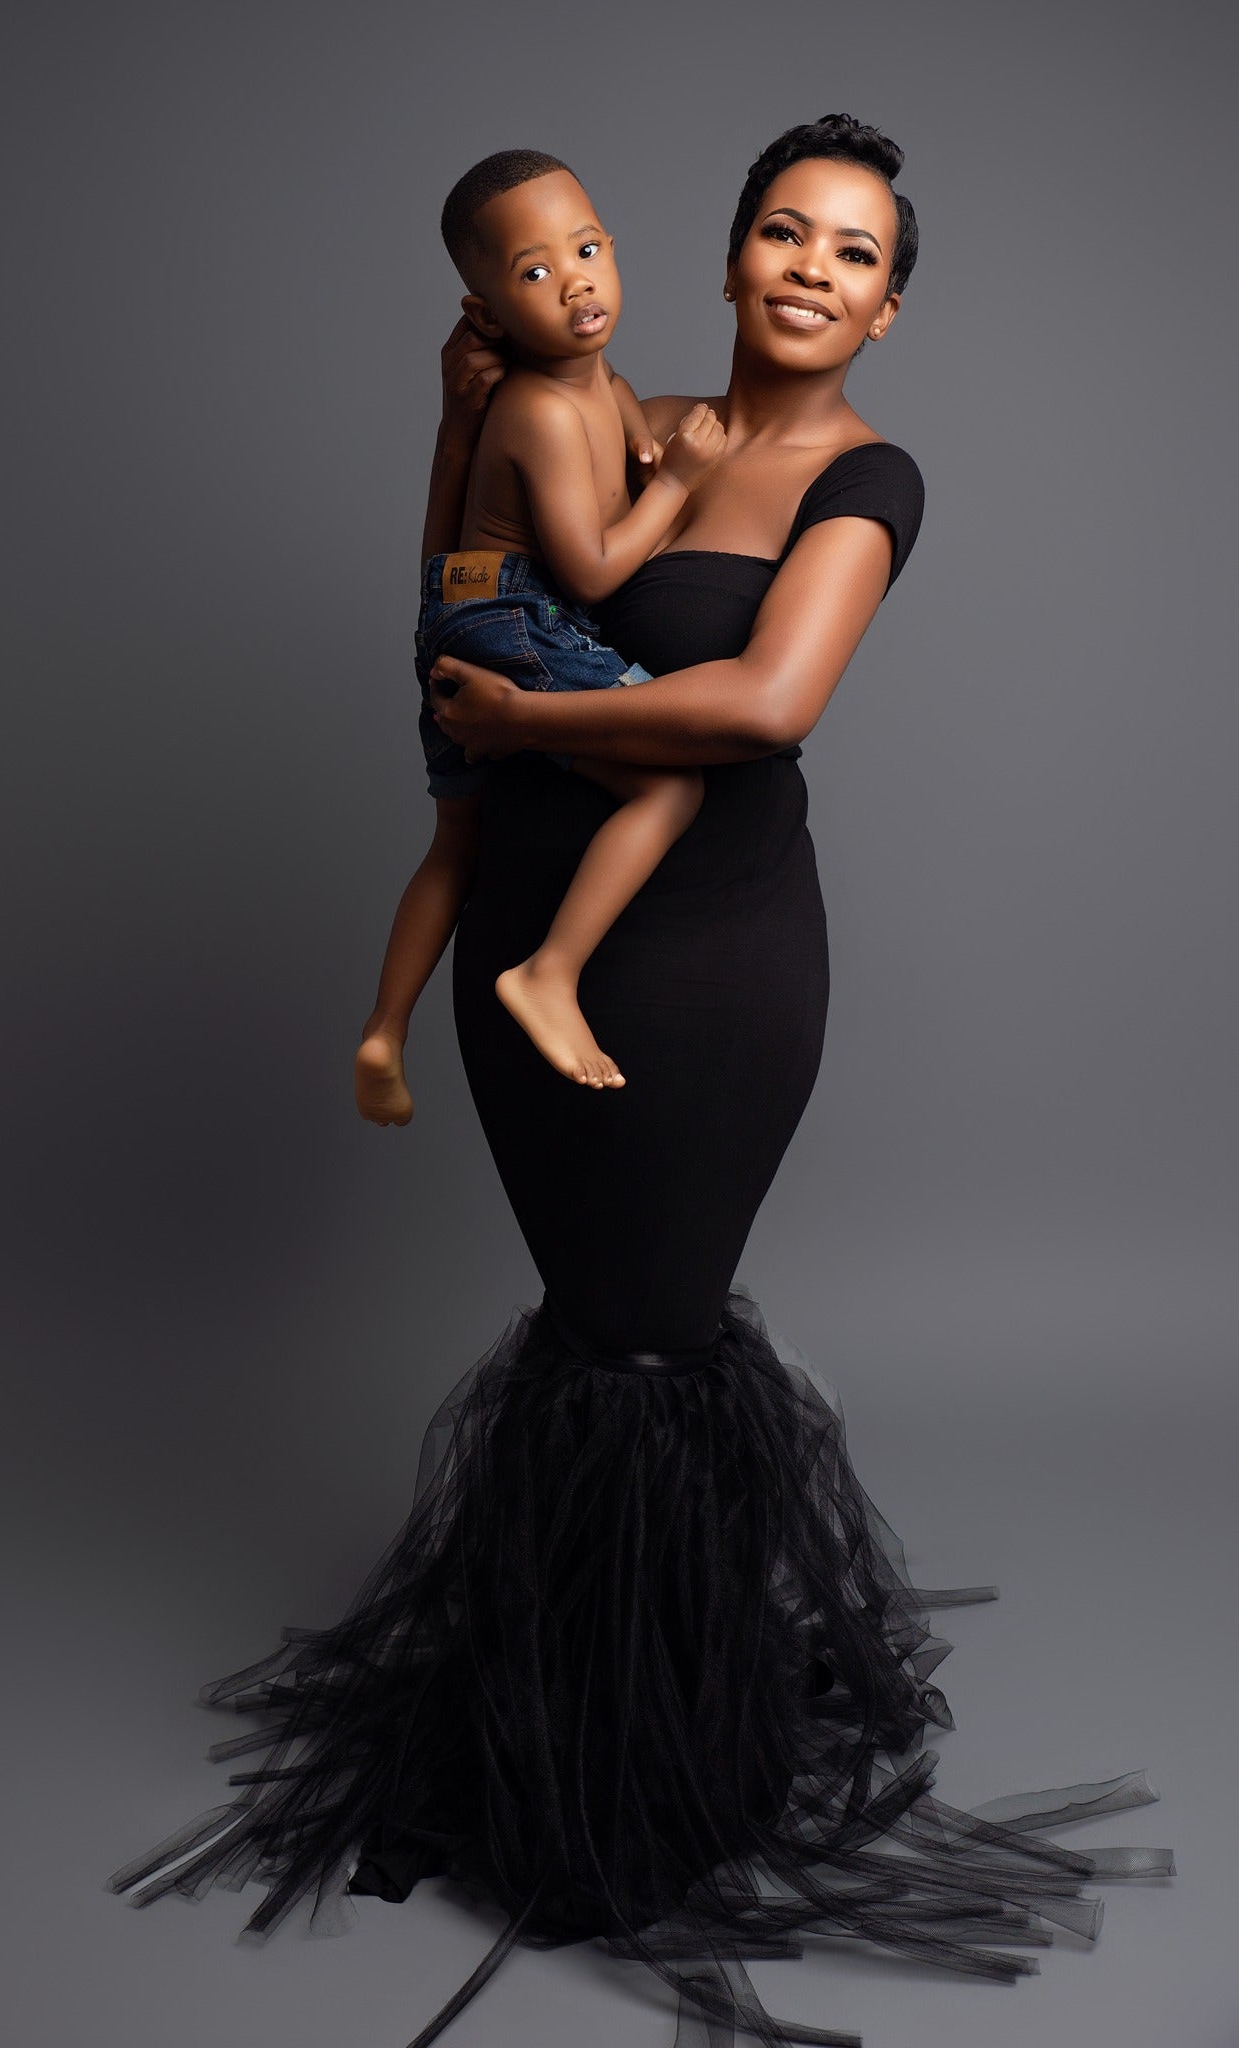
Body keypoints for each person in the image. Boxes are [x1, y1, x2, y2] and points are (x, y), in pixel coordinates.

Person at [107, 116, 1172, 2048]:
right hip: (527, 939)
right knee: (587, 1328)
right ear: (734, 249)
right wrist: (457, 417)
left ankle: (646, 1781)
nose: (811, 268)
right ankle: (562, 1737)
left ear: (889, 304)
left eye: (853, 254)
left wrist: (526, 710)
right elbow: (470, 565)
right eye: (784, 229)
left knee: (651, 1334)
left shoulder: (865, 475)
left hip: (701, 975)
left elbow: (766, 705)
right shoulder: (642, 415)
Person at [356, 148, 727, 1117]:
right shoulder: (541, 409)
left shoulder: (601, 386)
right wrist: (679, 485)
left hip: (459, 604)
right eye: (534, 271)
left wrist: (645, 448)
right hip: (510, 612)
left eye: (590, 247)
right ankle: (550, 972)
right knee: (672, 779)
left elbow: (618, 440)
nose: (576, 281)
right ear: (482, 309)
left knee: (457, 841)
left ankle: (383, 1031)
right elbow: (594, 571)